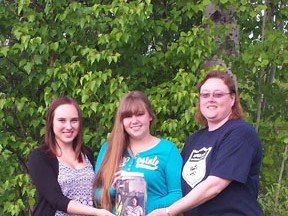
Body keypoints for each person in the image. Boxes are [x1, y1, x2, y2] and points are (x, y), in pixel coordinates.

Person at [148, 70, 263, 216]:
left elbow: (214, 185)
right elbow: (175, 185)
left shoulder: (241, 133)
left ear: (232, 99)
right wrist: (130, 184)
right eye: (205, 95)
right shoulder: (194, 140)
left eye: (218, 94)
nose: (211, 99)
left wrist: (169, 211)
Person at [93, 90, 183, 214]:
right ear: (122, 121)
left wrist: (142, 205)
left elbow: (178, 194)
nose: (134, 121)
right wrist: (114, 188)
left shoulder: (168, 150)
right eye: (128, 116)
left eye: (140, 114)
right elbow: (96, 192)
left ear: (150, 116)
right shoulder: (109, 149)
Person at [28, 96, 114, 216]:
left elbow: (94, 193)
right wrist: (96, 212)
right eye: (62, 120)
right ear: (51, 122)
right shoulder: (40, 157)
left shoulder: (87, 154)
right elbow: (56, 199)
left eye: (74, 120)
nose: (68, 126)